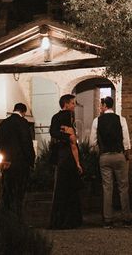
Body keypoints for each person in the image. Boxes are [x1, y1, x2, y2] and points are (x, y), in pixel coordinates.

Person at [90, 96, 131, 227]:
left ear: (104, 106)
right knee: (123, 187)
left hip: (105, 156)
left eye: (101, 105)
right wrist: (126, 154)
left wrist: (98, 152)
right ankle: (126, 218)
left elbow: (92, 142)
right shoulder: (121, 119)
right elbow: (126, 140)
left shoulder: (97, 121)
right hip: (119, 155)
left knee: (107, 188)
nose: (100, 108)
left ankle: (108, 219)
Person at [49, 94, 83, 229]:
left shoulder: (57, 117)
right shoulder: (67, 116)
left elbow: (53, 132)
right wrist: (68, 136)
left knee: (62, 189)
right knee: (69, 189)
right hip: (66, 156)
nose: (74, 106)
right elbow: (72, 142)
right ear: (66, 104)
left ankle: (61, 220)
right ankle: (69, 220)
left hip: (62, 156)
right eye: (73, 103)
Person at [0, 102, 35, 219]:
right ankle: (17, 217)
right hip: (20, 162)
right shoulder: (23, 123)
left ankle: (6, 216)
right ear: (23, 112)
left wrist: (4, 156)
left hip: (6, 162)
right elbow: (26, 143)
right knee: (19, 191)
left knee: (7, 190)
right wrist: (31, 160)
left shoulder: (3, 123)